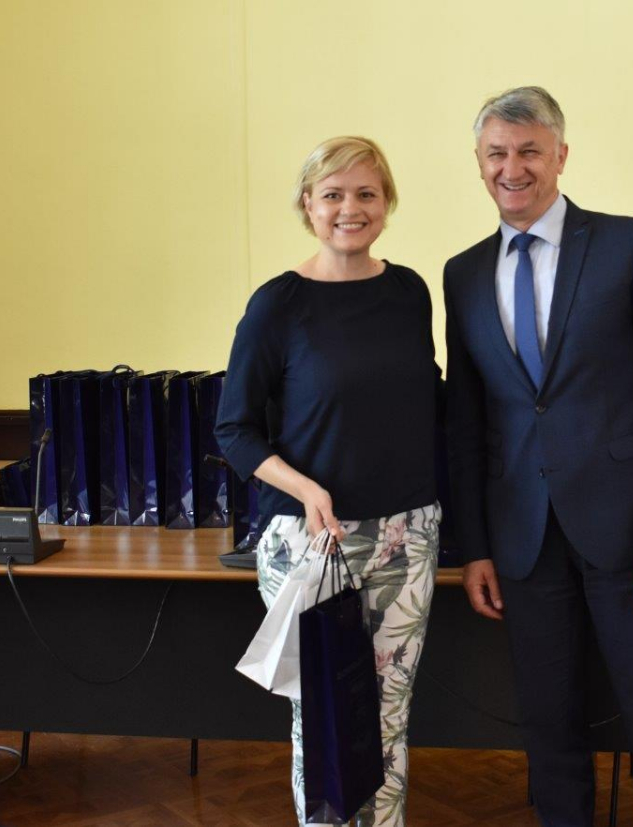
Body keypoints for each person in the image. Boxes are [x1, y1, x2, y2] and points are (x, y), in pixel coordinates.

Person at [443, 86, 633, 827]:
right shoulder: (463, 273)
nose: (512, 168)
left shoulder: (629, 245)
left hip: (631, 537)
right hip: (522, 540)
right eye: (497, 153)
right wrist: (476, 546)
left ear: (561, 155)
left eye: (529, 150)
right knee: (548, 724)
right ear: (479, 162)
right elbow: (467, 424)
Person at [215, 136, 440, 827]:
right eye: (333, 194)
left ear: (387, 202)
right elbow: (235, 430)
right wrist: (308, 489)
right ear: (308, 206)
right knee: (324, 717)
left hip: (408, 534)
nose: (351, 208)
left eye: (367, 193)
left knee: (390, 714)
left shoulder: (409, 292)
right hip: (311, 540)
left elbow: (426, 402)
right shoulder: (277, 304)